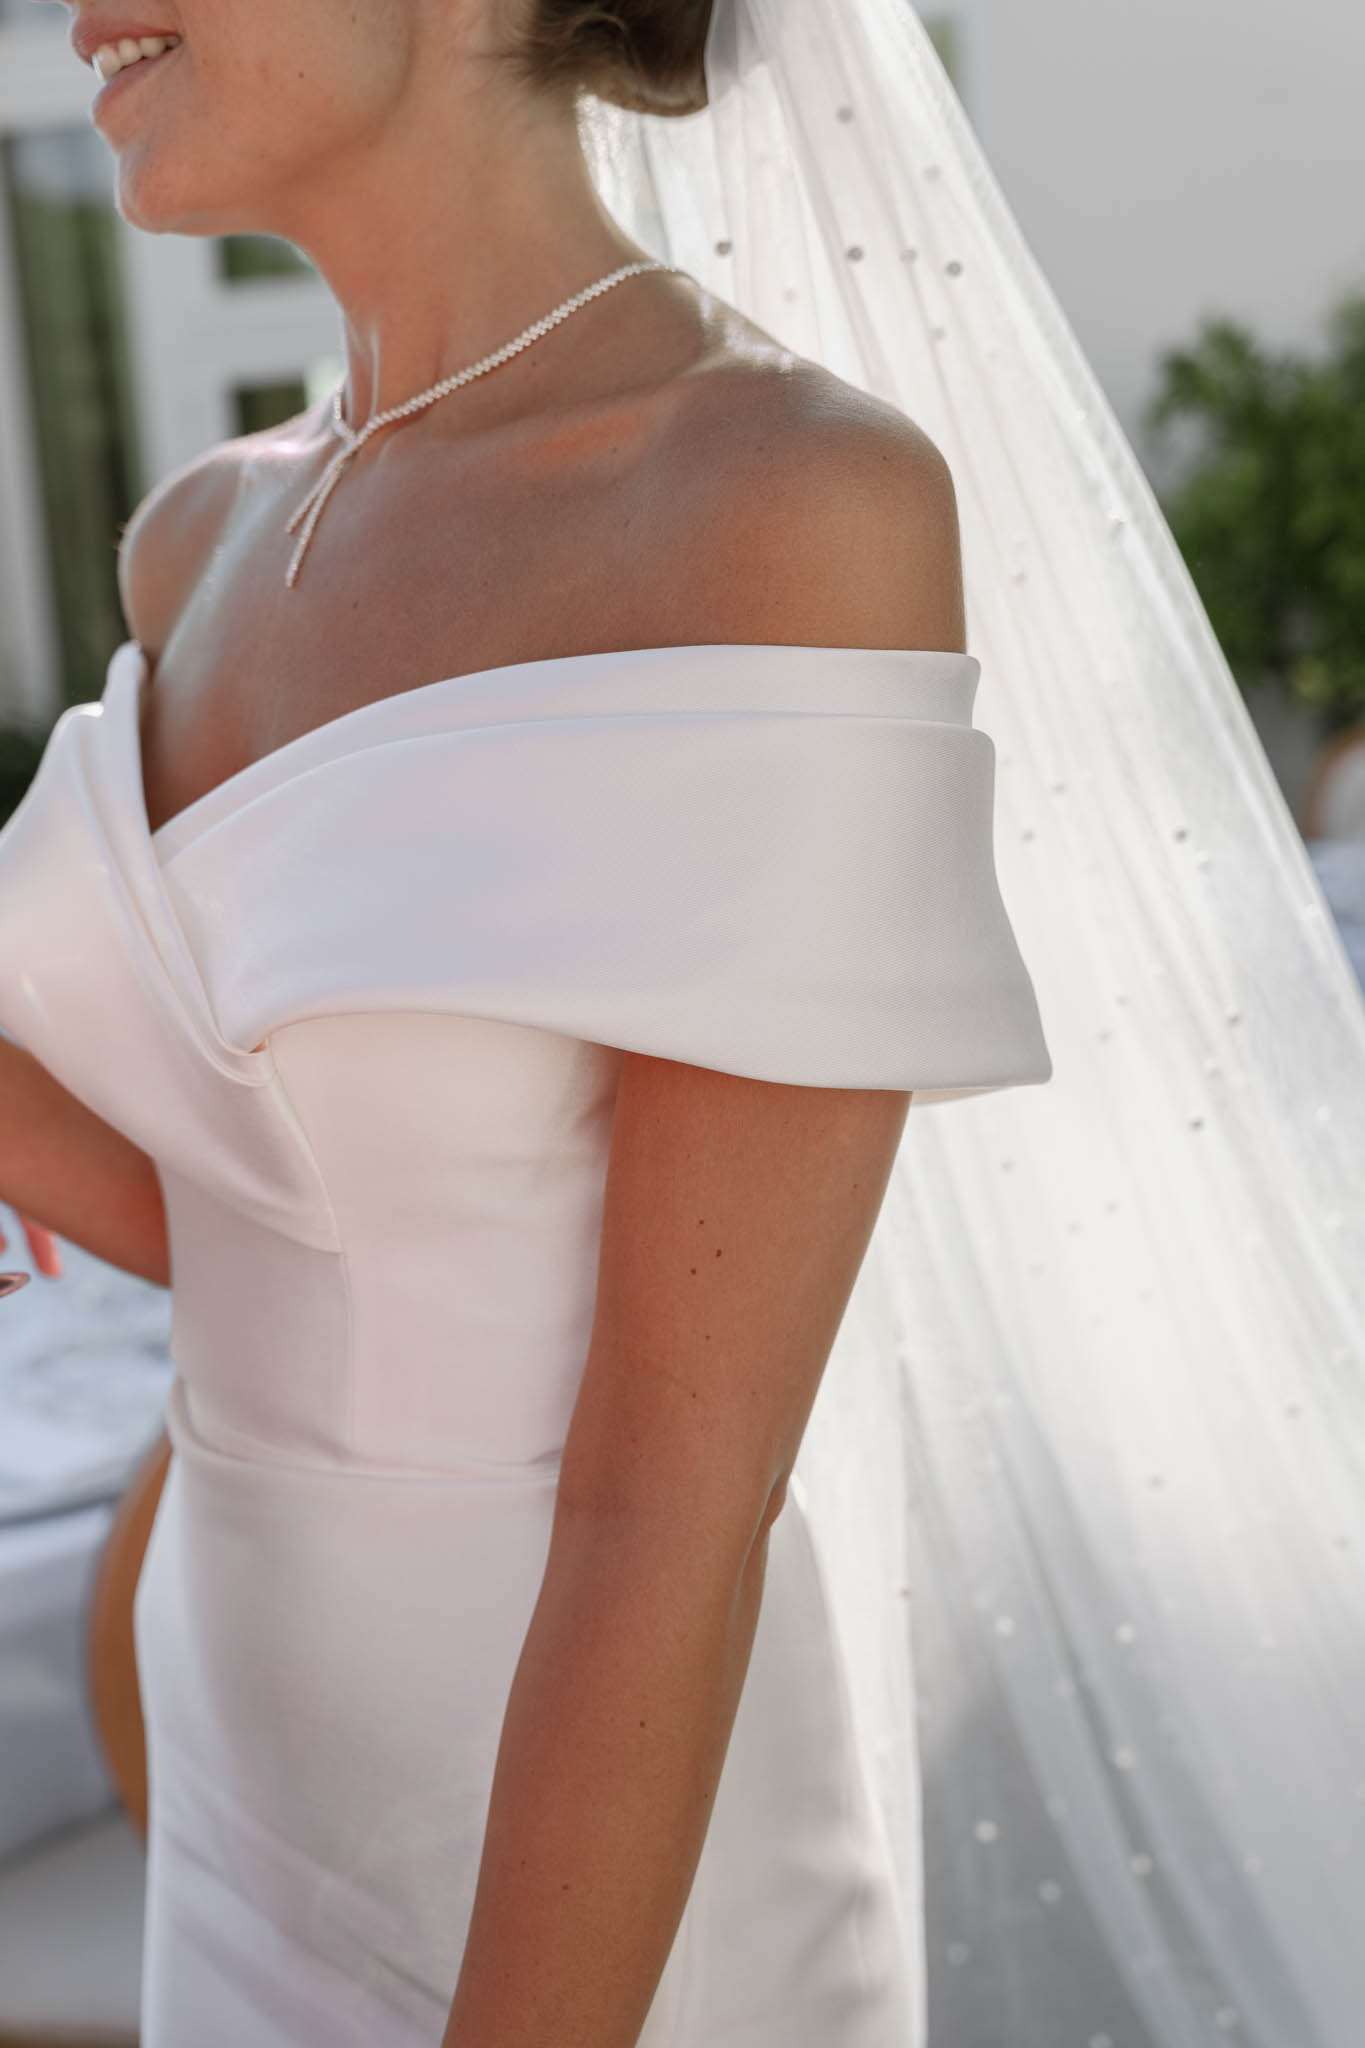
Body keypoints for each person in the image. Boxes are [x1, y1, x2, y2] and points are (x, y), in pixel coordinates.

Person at [0, 0, 1051, 2042]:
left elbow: (671, 1488)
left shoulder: (778, 508)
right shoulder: (193, 544)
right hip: (236, 1797)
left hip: (601, 1863)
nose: (72, 7)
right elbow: (288, 1226)